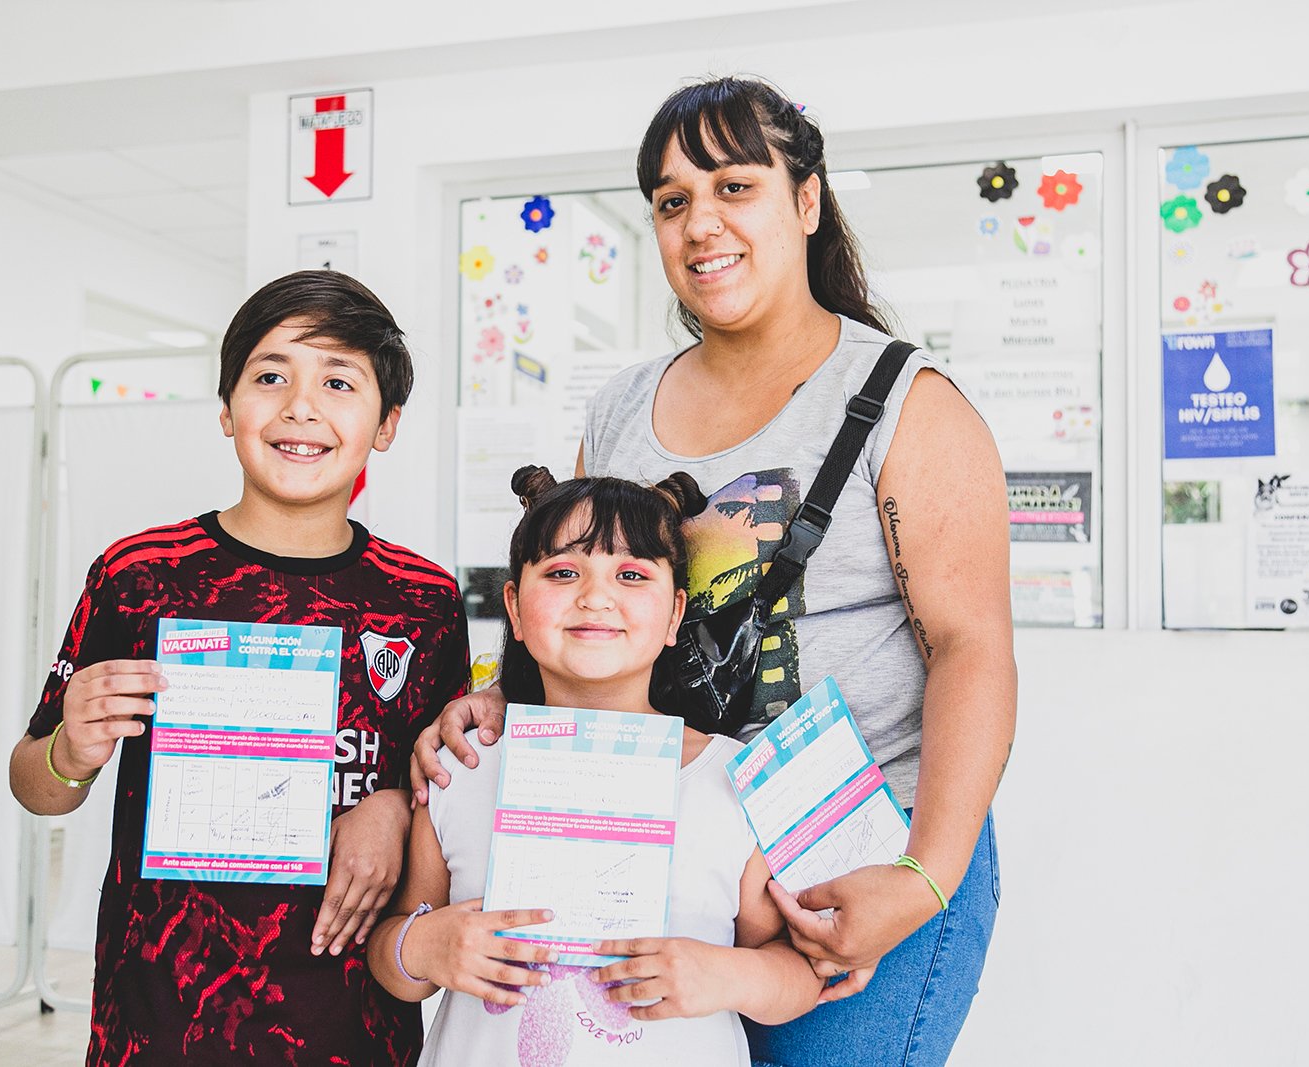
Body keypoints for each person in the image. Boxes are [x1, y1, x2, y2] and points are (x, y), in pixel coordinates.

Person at [411, 76, 1016, 1066]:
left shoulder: (906, 399)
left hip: (853, 846)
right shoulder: (619, 408)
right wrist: (494, 697)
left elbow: (971, 646)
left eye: (735, 186)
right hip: (663, 836)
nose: (701, 223)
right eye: (671, 200)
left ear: (806, 201)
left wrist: (920, 874)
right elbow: (577, 593)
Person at [9, 270, 469, 1065]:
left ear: (386, 423)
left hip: (349, 1017)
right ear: (226, 409)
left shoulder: (422, 598)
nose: (300, 406)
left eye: (338, 381)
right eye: (269, 376)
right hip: (159, 1015)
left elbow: (451, 790)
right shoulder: (141, 572)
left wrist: (394, 802)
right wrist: (68, 750)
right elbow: (36, 785)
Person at [369, 467, 823, 1066]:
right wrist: (425, 947)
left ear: (673, 616)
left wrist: (726, 974)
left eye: (631, 575)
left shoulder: (735, 778)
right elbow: (392, 953)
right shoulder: (464, 768)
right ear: (515, 607)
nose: (595, 597)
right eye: (562, 572)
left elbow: (797, 972)